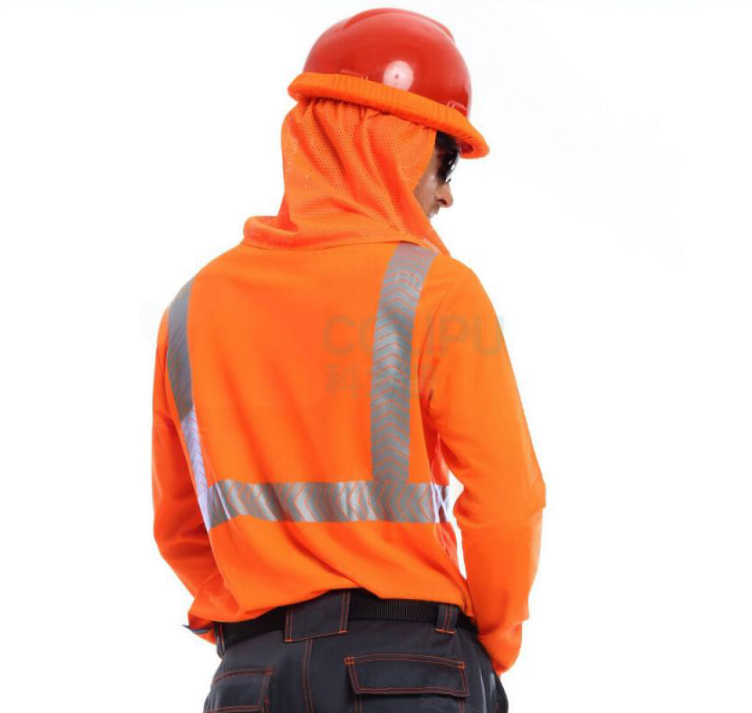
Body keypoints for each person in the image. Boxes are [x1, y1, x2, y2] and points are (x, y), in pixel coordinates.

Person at [151, 8, 546, 712]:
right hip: (411, 669)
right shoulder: (436, 289)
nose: (446, 192)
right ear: (394, 144)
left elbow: (182, 526)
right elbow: (507, 501)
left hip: (251, 680)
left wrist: (253, 627)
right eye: (444, 160)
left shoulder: (192, 306)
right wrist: (489, 641)